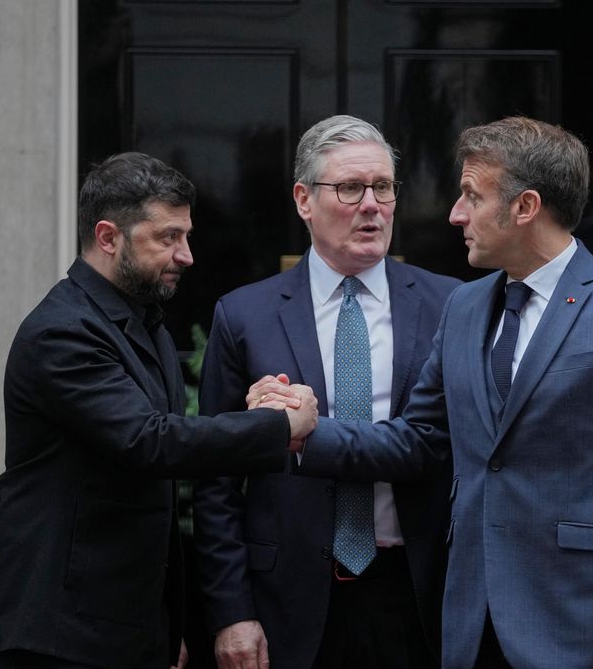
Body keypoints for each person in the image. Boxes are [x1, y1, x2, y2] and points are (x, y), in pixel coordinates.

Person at [273, 116, 593, 669]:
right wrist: (306, 433)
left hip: (586, 620)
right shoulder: (464, 307)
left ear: (525, 207)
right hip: (472, 621)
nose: (455, 214)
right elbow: (419, 439)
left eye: (471, 196)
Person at [0, 152, 318, 669]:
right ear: (108, 237)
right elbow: (151, 442)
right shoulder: (63, 332)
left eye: (186, 236)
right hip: (60, 635)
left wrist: (162, 626)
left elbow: (162, 449)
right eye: (168, 237)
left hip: (122, 628)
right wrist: (276, 425)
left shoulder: (144, 323)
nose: (187, 255)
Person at [192, 115, 460, 669]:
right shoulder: (244, 315)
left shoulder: (452, 306)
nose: (372, 206)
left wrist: (304, 434)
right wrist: (231, 612)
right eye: (350, 188)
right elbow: (216, 482)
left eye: (383, 187)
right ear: (303, 200)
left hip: (418, 595)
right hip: (286, 599)